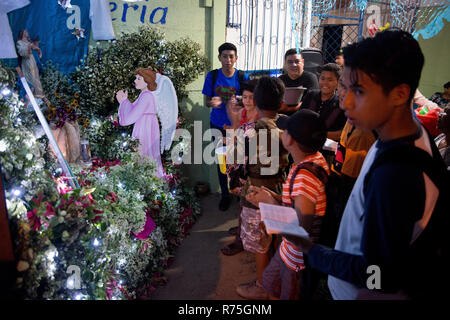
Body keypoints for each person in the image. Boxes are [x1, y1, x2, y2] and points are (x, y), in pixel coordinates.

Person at [283, 30, 447, 300]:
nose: (346, 102)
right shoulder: (406, 136)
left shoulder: (396, 175)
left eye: (358, 91)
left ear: (399, 94)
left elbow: (379, 276)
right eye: (345, 89)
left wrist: (311, 251)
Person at [245, 108, 329, 300]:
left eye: (285, 131)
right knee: (270, 283)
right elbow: (294, 204)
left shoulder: (304, 177)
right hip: (287, 252)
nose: (282, 133)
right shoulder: (314, 159)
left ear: (290, 140)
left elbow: (300, 230)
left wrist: (268, 204)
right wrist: (272, 197)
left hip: (296, 259)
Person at [235, 76, 290, 299]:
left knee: (260, 245)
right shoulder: (287, 128)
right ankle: (276, 283)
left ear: (256, 102)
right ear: (281, 103)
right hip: (280, 192)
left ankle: (263, 287)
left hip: (256, 193)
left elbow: (238, 164)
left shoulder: (250, 133)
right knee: (277, 239)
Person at [202, 42, 249, 211]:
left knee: (239, 160)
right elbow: (206, 101)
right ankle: (225, 194)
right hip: (217, 125)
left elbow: (249, 101)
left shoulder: (243, 77)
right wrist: (211, 102)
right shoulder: (212, 76)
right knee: (222, 162)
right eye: (224, 56)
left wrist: (240, 102)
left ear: (236, 58)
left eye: (231, 56)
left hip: (237, 126)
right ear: (219, 58)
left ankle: (240, 193)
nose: (228, 60)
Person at [220, 79, 259, 256]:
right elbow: (237, 132)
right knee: (241, 200)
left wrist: (233, 137)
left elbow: (248, 139)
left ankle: (241, 241)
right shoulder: (243, 112)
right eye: (245, 97)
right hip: (239, 161)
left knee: (247, 201)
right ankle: (241, 229)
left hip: (251, 165)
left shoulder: (259, 116)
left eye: (252, 97)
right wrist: (230, 132)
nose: (248, 101)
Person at [116, 68, 164, 177]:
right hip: (144, 123)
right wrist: (124, 101)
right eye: (136, 78)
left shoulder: (147, 96)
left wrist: (124, 102)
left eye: (139, 78)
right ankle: (145, 176)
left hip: (146, 126)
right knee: (142, 150)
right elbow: (133, 108)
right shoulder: (143, 95)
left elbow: (133, 114)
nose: (135, 81)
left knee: (144, 150)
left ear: (147, 80)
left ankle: (148, 177)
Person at [301, 63, 347, 142]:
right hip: (303, 142)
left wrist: (318, 135)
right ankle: (275, 154)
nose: (325, 83)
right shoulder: (310, 95)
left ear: (338, 83)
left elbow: (342, 133)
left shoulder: (341, 103)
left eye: (330, 80)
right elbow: (300, 118)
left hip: (327, 148)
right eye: (322, 78)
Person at [278, 48, 319, 116]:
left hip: (302, 117)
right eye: (290, 62)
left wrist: (288, 109)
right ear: (285, 64)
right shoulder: (280, 80)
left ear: (302, 62)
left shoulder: (310, 78)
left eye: (297, 61)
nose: (294, 65)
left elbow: (312, 102)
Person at [16, 30, 44, 97]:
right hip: (26, 60)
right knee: (29, 75)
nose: (26, 33)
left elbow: (34, 48)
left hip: (32, 59)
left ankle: (38, 92)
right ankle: (30, 92)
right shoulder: (19, 42)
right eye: (25, 32)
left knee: (35, 74)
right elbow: (21, 52)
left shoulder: (28, 42)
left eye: (26, 32)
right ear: (22, 34)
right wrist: (29, 47)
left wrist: (38, 49)